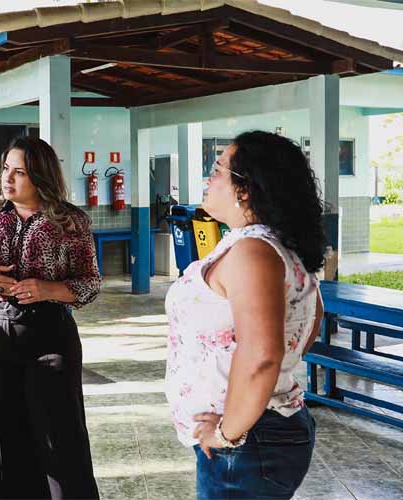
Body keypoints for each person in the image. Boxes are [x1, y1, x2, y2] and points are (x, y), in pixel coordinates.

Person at [164, 130, 325, 500]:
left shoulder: (254, 252)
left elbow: (263, 355)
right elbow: (312, 319)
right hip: (254, 432)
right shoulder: (268, 244)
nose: (209, 179)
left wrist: (227, 433)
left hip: (246, 441)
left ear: (246, 189)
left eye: (218, 170)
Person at [0, 136, 101, 500]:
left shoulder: (70, 221)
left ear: (41, 176)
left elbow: (89, 282)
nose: (8, 178)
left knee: (61, 443)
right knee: (0, 446)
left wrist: (48, 289)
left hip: (49, 334)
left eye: (19, 172)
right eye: (6, 169)